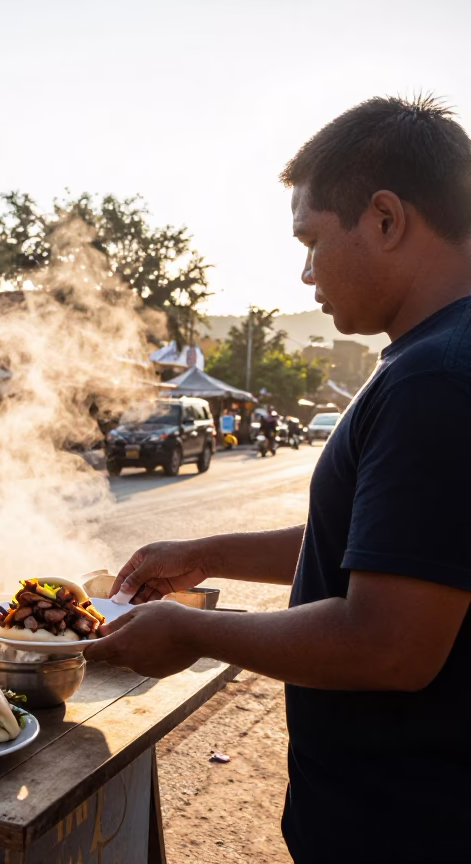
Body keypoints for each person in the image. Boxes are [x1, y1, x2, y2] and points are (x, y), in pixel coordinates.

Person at [83, 95, 471, 864]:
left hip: (407, 828)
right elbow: (381, 549)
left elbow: (388, 642)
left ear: (387, 219)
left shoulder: (436, 379)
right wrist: (208, 553)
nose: (305, 273)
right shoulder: (434, 359)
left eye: (312, 240)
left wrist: (192, 631)